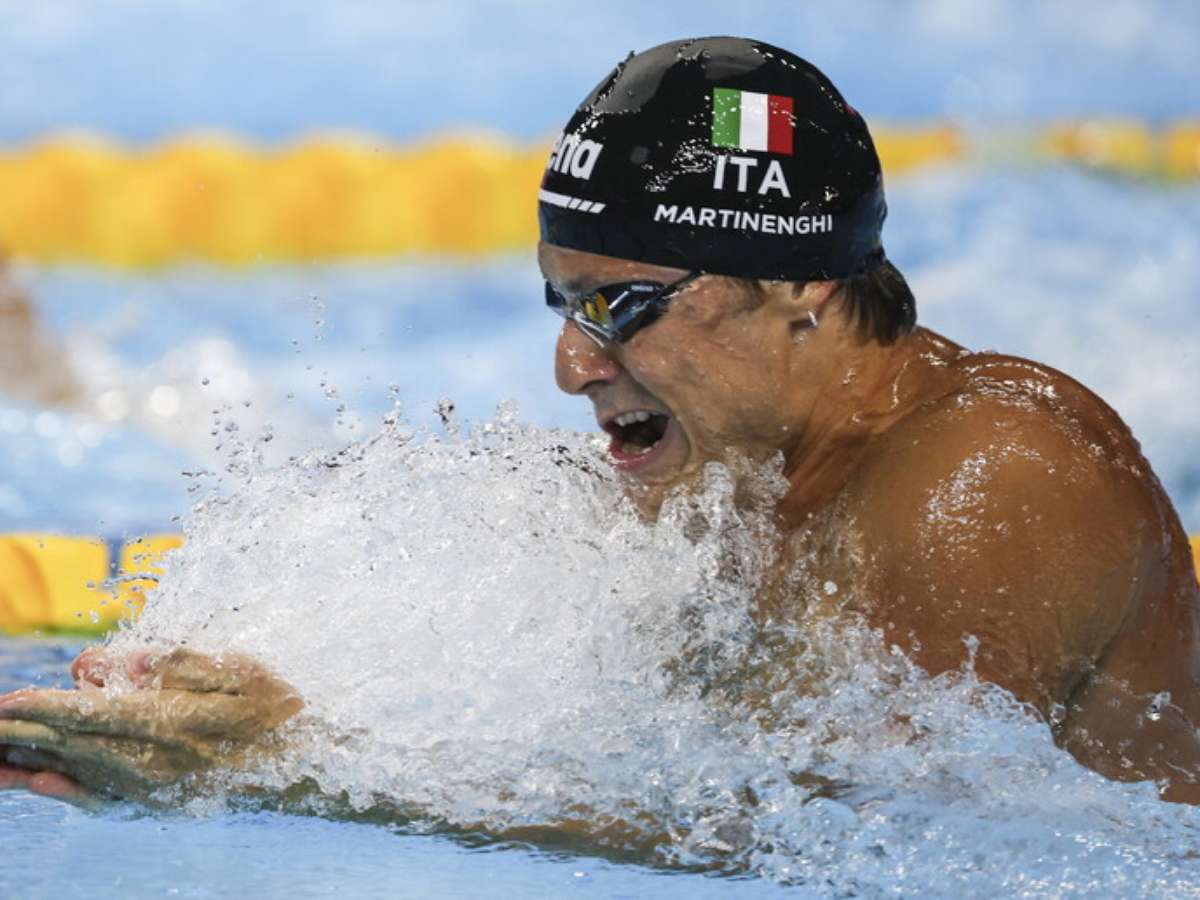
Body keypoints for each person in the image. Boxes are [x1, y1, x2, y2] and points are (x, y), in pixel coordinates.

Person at [1, 37, 1197, 816]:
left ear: (803, 287)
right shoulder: (732, 470)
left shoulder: (990, 476)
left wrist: (303, 770)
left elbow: (828, 839)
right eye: (563, 304)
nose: (574, 365)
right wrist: (248, 696)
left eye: (623, 307)